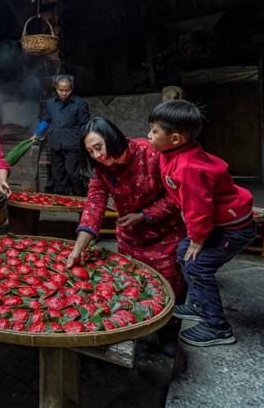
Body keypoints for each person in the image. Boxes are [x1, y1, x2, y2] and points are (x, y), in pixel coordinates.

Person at [66, 117, 186, 354]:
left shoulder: (151, 152)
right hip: (131, 237)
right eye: (90, 151)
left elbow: (178, 195)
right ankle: (137, 329)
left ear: (112, 138)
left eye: (99, 147)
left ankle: (169, 334)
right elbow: (95, 205)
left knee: (170, 287)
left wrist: (144, 215)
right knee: (133, 286)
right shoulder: (101, 169)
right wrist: (79, 248)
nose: (97, 156)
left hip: (167, 236)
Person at [148, 100, 255, 346]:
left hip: (232, 229)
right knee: (183, 252)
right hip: (219, 224)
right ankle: (198, 305)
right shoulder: (172, 152)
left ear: (175, 139)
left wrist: (198, 238)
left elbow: (199, 208)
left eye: (154, 131)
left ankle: (218, 327)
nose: (149, 135)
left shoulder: (188, 167)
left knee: (198, 265)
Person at [31, 75, 90, 195]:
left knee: (72, 172)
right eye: (61, 90)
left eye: (67, 90)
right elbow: (46, 120)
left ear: (72, 88)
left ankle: (81, 196)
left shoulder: (80, 103)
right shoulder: (50, 103)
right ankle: (61, 197)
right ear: (56, 88)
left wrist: (87, 139)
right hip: (55, 143)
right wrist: (37, 133)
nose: (64, 93)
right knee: (57, 173)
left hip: (73, 144)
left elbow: (85, 124)